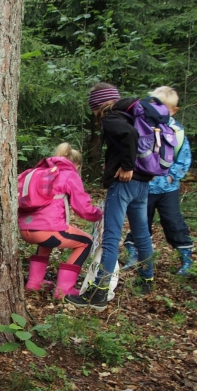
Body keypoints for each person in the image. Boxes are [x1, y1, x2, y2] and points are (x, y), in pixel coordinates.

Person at [66, 83, 155, 311]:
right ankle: (147, 278)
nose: (94, 113)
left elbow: (130, 136)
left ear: (98, 105)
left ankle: (98, 292)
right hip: (142, 183)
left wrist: (127, 166)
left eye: (93, 108)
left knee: (110, 238)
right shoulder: (130, 114)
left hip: (123, 183)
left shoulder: (111, 118)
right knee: (141, 232)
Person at [123, 86, 194, 275]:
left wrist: (171, 175)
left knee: (172, 221)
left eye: (165, 108)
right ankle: (135, 254)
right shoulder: (141, 126)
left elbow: (184, 159)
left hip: (167, 188)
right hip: (143, 186)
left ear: (174, 110)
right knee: (141, 221)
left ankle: (186, 256)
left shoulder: (177, 132)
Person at [18, 143, 102, 298]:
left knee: (46, 241)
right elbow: (83, 208)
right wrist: (99, 214)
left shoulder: (39, 171)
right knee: (86, 242)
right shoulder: (69, 174)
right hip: (48, 230)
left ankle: (34, 283)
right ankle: (64, 290)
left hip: (25, 229)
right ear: (76, 165)